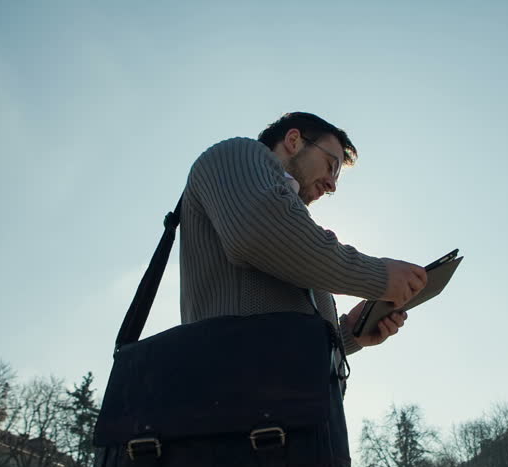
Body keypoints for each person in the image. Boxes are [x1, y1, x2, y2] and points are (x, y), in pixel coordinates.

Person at [178, 111, 428, 358]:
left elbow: (289, 339)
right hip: (235, 387)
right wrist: (379, 277)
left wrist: (350, 334)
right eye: (331, 166)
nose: (332, 185)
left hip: (274, 391)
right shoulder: (236, 154)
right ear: (294, 140)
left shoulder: (298, 235)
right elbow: (259, 232)